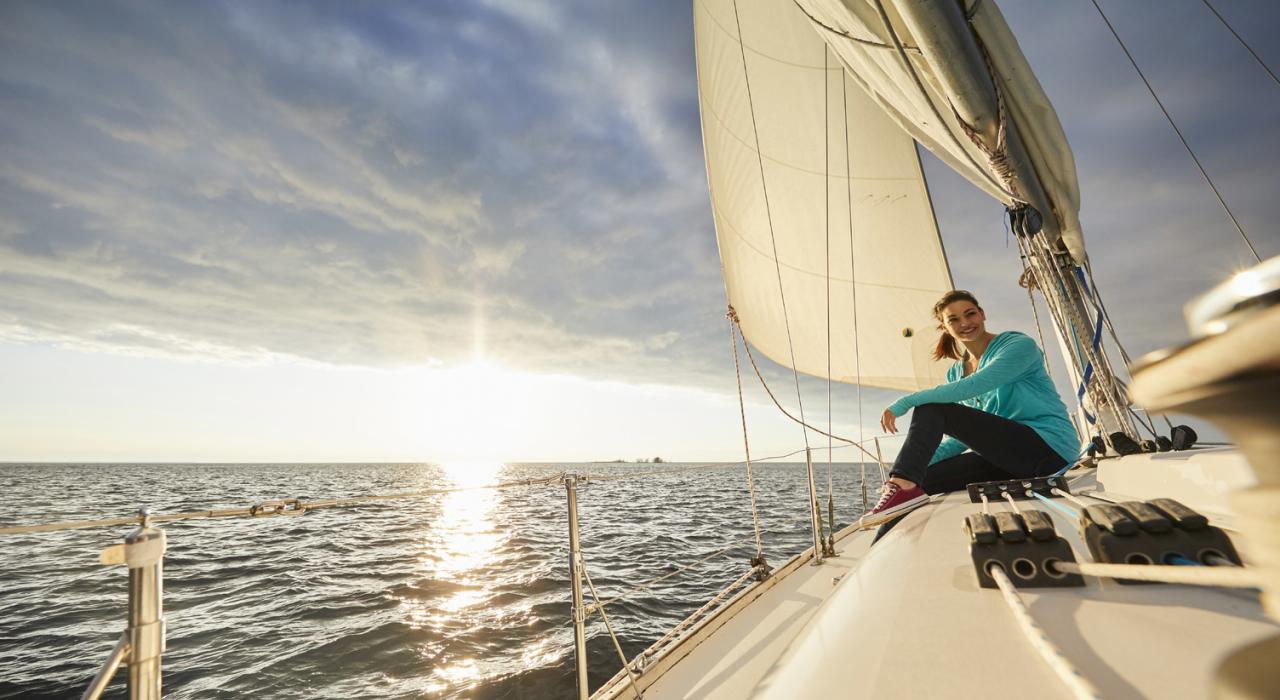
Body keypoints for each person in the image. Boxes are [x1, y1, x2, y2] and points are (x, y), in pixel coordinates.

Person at [860, 290, 1079, 526]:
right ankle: (888, 530)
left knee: (932, 406)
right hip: (1008, 458)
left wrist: (904, 402)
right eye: (953, 319)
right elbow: (962, 439)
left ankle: (902, 485)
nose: (964, 323)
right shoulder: (956, 372)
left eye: (970, 314)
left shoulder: (1017, 345)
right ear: (944, 327)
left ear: (982, 314)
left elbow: (976, 385)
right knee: (919, 482)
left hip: (1048, 450)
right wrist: (910, 465)